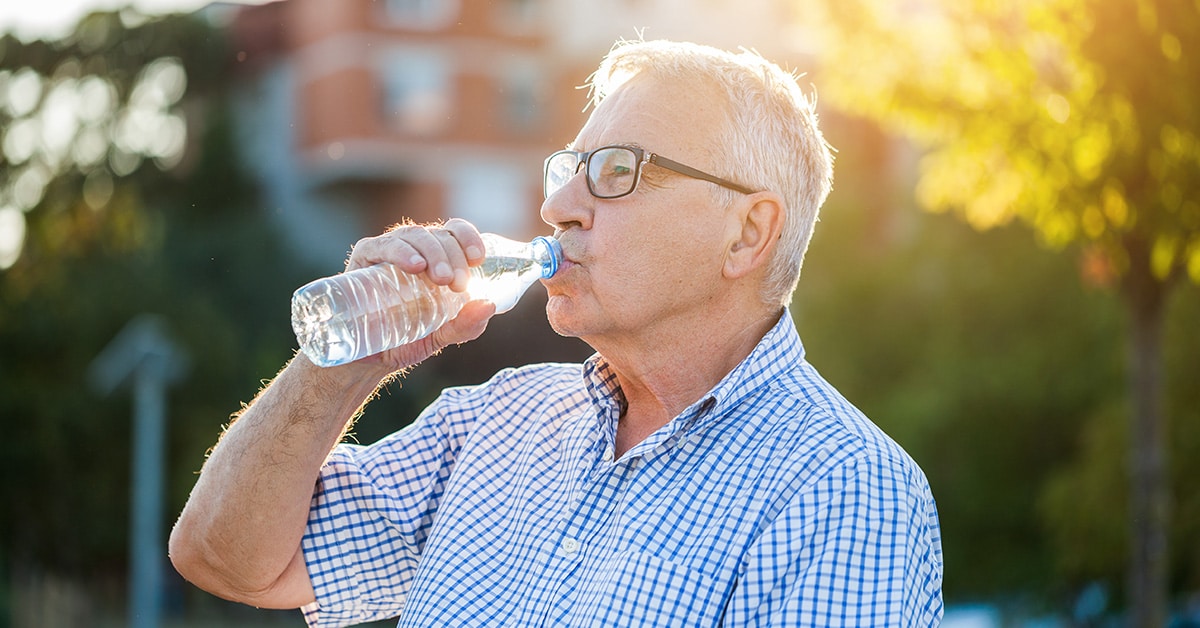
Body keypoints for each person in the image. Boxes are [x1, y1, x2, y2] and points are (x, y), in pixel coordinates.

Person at [169, 39, 944, 626]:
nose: (559, 207)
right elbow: (225, 558)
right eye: (568, 170)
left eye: (615, 172)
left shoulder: (844, 489)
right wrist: (347, 361)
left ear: (746, 233)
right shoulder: (494, 423)